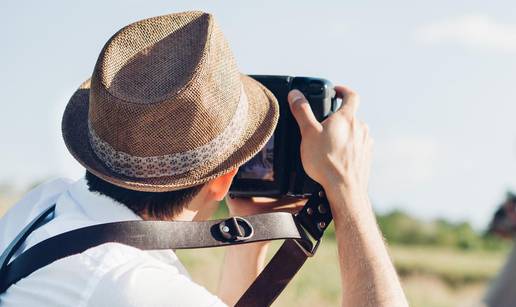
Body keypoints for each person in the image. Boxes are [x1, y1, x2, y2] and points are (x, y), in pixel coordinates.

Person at [0, 11, 408, 307]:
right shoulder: (130, 285)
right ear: (220, 179)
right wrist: (348, 189)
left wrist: (248, 243)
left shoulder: (45, 205)